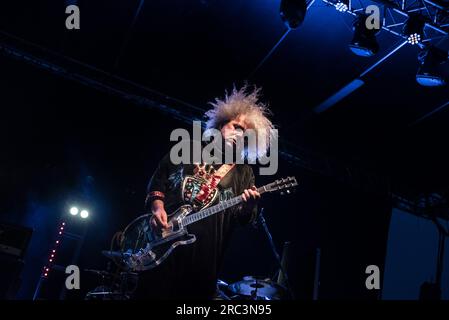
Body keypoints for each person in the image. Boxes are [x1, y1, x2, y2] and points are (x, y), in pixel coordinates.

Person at [134, 86, 274, 299]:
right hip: (160, 250)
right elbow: (158, 180)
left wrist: (248, 206)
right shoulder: (186, 149)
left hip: (203, 262)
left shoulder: (244, 173)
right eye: (236, 126)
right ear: (220, 125)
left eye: (246, 135)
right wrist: (157, 208)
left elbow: (243, 219)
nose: (239, 135)